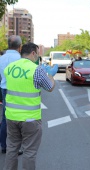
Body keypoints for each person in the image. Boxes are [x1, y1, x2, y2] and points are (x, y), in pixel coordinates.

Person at [3, 42, 57, 170]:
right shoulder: (36, 69)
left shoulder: (9, 68)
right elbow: (49, 87)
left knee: (11, 149)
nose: (37, 57)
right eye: (37, 54)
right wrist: (51, 75)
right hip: (30, 119)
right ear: (33, 53)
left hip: (11, 116)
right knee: (29, 152)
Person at [0, 35, 22, 154]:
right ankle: (15, 147)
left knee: (5, 118)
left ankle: (4, 145)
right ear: (19, 47)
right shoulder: (20, 59)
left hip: (4, 90)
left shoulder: (1, 58)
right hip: (18, 91)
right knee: (17, 118)